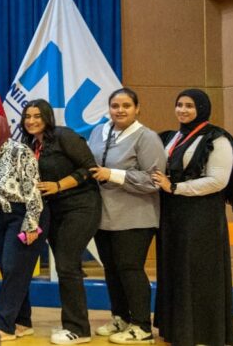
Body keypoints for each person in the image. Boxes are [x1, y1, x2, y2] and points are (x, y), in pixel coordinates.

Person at [151, 89, 233, 346]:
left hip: (202, 216)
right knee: (176, 269)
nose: (183, 110)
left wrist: (174, 187)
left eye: (189, 105)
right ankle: (178, 330)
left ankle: (203, 332)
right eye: (179, 104)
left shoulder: (218, 138)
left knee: (199, 271)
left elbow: (218, 181)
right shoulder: (173, 136)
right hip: (173, 214)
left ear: (201, 108)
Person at [85, 88, 166, 344]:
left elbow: (154, 180)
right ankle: (120, 317)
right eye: (115, 105)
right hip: (103, 216)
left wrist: (112, 175)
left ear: (137, 109)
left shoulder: (147, 137)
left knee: (130, 269)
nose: (120, 110)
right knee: (111, 270)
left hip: (135, 217)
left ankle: (142, 326)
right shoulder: (98, 132)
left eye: (126, 105)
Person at [20, 99, 100, 345]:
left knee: (66, 265)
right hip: (52, 211)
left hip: (80, 206)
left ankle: (79, 329)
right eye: (27, 116)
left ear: (47, 117)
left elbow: (90, 169)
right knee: (66, 267)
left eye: (37, 116)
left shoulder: (65, 136)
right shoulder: (29, 144)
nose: (31, 121)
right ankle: (73, 324)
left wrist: (58, 185)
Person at [0, 114, 46, 342]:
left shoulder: (20, 151)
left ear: (2, 128)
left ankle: (5, 324)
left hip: (20, 215)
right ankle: (23, 321)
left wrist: (31, 225)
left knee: (12, 267)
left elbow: (33, 190)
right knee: (11, 270)